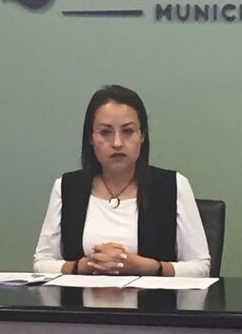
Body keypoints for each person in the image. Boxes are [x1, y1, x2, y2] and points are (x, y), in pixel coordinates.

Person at [33, 85, 211, 277]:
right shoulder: (67, 188)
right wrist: (83, 266)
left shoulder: (173, 186)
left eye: (128, 131)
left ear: (142, 136)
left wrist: (149, 267)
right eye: (105, 132)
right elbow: (41, 264)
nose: (117, 143)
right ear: (90, 138)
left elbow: (201, 268)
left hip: (154, 304)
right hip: (81, 304)